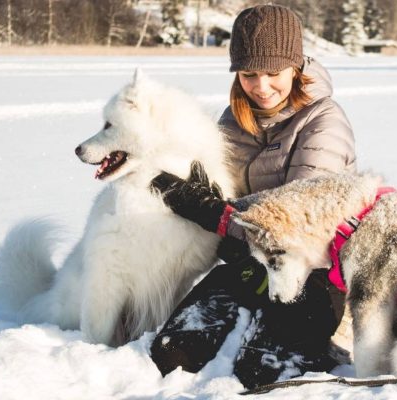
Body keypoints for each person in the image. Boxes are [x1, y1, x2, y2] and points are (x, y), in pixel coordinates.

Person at [149, 4, 356, 390]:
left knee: (264, 370)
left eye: (273, 73)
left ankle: (335, 335)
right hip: (250, 263)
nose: (261, 87)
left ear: (295, 67)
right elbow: (220, 191)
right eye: (249, 74)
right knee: (171, 352)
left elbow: (299, 227)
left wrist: (218, 215)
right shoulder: (233, 119)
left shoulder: (323, 122)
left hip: (311, 272)